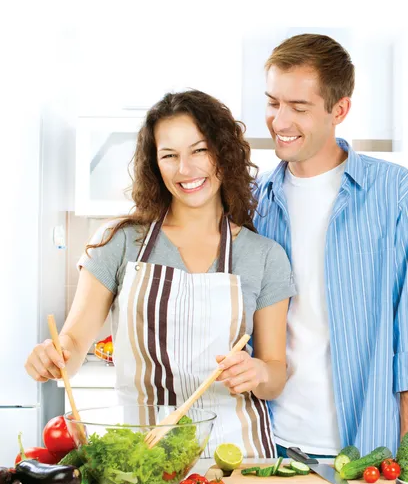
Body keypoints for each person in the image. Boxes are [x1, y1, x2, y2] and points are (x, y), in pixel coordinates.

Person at [25, 90, 296, 458]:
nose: (185, 169)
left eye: (199, 150)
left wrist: (259, 374)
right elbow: (71, 346)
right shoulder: (118, 241)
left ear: (223, 153)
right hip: (143, 455)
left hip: (236, 457)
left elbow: (276, 373)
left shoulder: (264, 255)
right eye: (169, 155)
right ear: (155, 164)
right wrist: (52, 357)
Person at [253, 34, 408, 458]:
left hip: (367, 451)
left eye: (298, 108)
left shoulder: (394, 192)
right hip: (269, 445)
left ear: (340, 110)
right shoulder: (254, 199)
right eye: (272, 103)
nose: (280, 122)